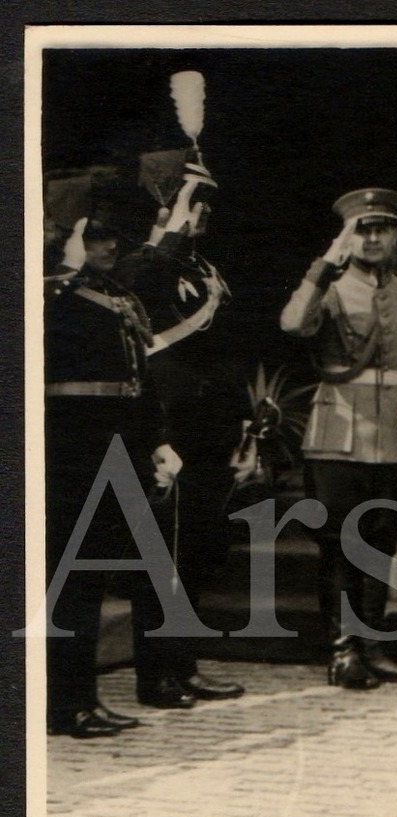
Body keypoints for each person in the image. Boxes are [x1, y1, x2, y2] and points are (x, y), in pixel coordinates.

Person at [279, 188, 397, 690]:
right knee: (337, 545)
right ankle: (342, 650)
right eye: (362, 230)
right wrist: (321, 267)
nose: (373, 238)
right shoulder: (329, 289)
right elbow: (292, 325)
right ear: (347, 238)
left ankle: (373, 647)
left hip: (395, 437)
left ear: (395, 236)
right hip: (338, 435)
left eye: (382, 229)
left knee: (380, 540)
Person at [114, 153, 249, 708]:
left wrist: (242, 424)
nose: (204, 213)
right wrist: (170, 230)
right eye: (194, 200)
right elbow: (139, 287)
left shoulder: (205, 272)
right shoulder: (140, 264)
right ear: (165, 205)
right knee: (161, 556)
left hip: (211, 429)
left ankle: (183, 664)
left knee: (195, 553)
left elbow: (226, 356)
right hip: (169, 430)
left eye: (207, 202)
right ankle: (155, 675)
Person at [44, 213, 183, 736]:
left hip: (119, 448)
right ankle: (66, 703)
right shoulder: (52, 297)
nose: (106, 247)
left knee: (94, 575)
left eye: (110, 237)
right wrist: (63, 270)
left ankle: (84, 698)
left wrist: (157, 441)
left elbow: (138, 383)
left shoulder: (118, 297)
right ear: (71, 243)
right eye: (93, 237)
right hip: (73, 451)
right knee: (74, 579)